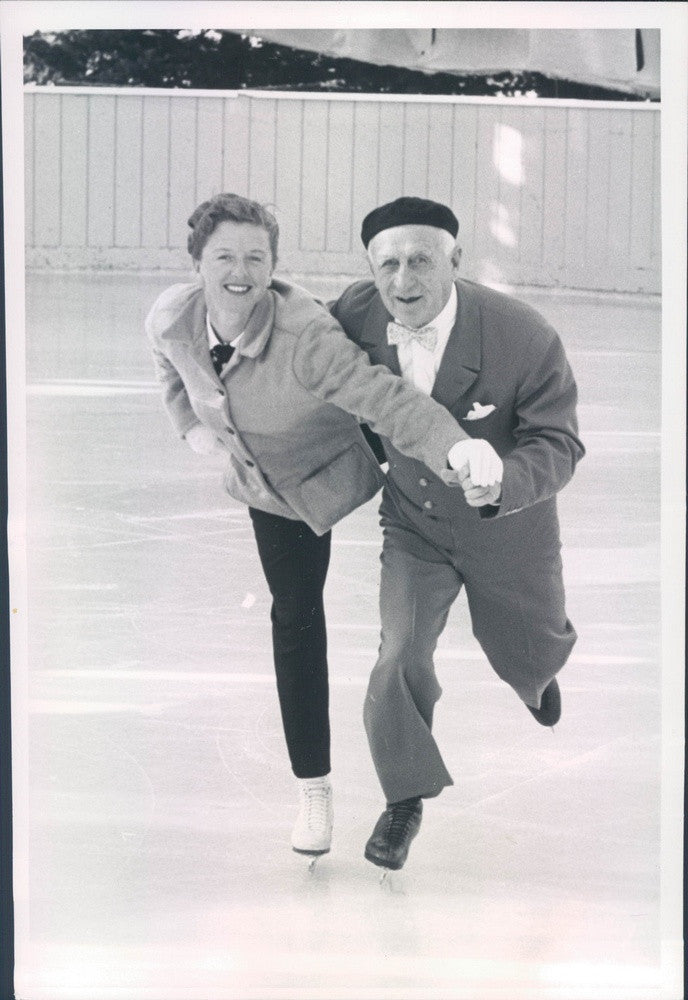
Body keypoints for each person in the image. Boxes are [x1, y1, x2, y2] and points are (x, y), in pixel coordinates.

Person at [145, 193, 500, 861]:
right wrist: (191, 425)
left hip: (356, 440)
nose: (240, 271)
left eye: (257, 256)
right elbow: (172, 368)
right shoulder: (172, 317)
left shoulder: (305, 336)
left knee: (431, 581)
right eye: (224, 256)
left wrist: (453, 448)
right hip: (282, 483)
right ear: (196, 262)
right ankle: (315, 787)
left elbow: (385, 399)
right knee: (296, 612)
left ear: (276, 265)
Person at [330, 196, 585, 871]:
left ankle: (536, 676)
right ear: (369, 269)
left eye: (420, 261)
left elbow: (560, 443)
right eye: (388, 265)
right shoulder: (353, 315)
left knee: (526, 650)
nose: (404, 281)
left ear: (455, 260)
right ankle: (403, 799)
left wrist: (504, 479)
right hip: (414, 521)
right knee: (399, 653)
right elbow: (304, 364)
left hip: (510, 527)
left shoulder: (522, 334)